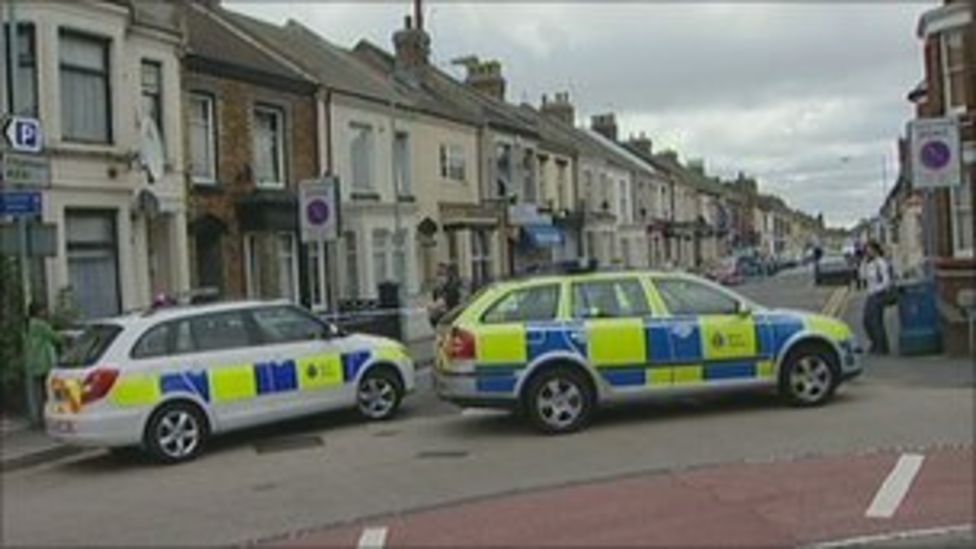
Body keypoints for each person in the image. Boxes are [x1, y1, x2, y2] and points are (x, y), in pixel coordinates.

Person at [25, 302, 63, 427]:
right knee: (48, 392)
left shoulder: (27, 325)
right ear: (38, 312)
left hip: (32, 363)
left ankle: (37, 419)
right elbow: (56, 338)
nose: (45, 313)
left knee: (37, 393)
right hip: (44, 363)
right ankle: (47, 418)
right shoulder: (40, 325)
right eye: (43, 310)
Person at [861, 240, 894, 355]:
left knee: (875, 322)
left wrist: (877, 290)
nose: (867, 251)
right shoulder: (869, 263)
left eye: (869, 249)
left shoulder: (881, 263)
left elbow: (887, 281)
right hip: (870, 294)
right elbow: (862, 277)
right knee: (866, 321)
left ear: (875, 250)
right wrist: (864, 263)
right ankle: (876, 343)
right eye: (866, 249)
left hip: (878, 295)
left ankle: (881, 347)